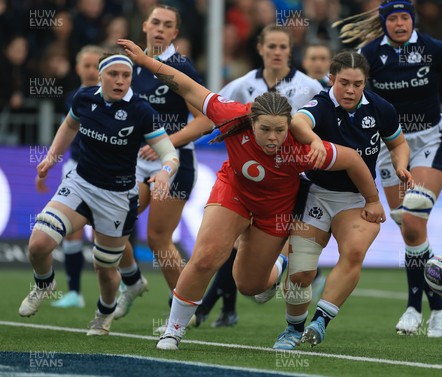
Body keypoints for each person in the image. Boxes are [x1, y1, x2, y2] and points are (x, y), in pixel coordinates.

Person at [117, 37, 386, 351]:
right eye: (265, 130)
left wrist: (372, 199)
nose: (273, 138)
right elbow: (186, 86)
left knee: (250, 285)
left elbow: (353, 159)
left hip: (274, 212)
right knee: (206, 257)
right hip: (235, 194)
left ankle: (279, 264)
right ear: (250, 122)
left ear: (290, 127)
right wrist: (145, 60)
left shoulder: (303, 146)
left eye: (279, 130)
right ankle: (172, 330)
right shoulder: (231, 114)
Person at [335, 0, 442, 338]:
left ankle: (413, 309)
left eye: (405, 18)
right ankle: (439, 306)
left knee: (414, 216)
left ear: (413, 21)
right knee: (411, 231)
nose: (400, 24)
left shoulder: (434, 49)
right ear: (384, 22)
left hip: (432, 140)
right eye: (393, 18)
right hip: (391, 147)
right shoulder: (368, 54)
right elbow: (346, 88)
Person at [18, 52, 180, 337]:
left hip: (117, 197)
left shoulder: (141, 111)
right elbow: (70, 124)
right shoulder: (85, 98)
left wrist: (165, 172)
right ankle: (44, 284)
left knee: (104, 268)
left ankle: (104, 313)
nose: (120, 81)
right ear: (101, 76)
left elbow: (169, 153)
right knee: (38, 244)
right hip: (80, 184)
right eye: (113, 75)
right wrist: (51, 157)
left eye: (126, 75)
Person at [271, 50, 413, 350]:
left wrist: (401, 165)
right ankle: (293, 328)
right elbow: (298, 122)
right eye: (344, 83)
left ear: (365, 83)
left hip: (356, 198)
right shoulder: (321, 105)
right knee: (302, 271)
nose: (350, 90)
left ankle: (320, 321)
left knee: (355, 251)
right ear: (331, 79)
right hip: (316, 194)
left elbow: (398, 142)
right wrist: (312, 141)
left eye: (358, 84)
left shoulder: (380, 108)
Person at [189, 24, 325, 328]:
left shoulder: (310, 87)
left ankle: (225, 305)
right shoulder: (241, 85)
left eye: (283, 47)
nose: (277, 52)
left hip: (291, 180)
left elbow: (325, 125)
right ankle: (221, 307)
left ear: (291, 51)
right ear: (260, 49)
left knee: (246, 250)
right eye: (271, 46)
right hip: (249, 175)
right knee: (234, 246)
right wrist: (180, 140)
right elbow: (213, 114)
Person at [111, 3, 213, 322]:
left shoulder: (180, 68)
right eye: (155, 22)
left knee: (157, 238)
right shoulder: (130, 65)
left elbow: (205, 121)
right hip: (136, 163)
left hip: (174, 163)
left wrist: (164, 144)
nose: (159, 28)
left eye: (167, 25)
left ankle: (184, 308)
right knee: (111, 223)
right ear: (144, 26)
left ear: (175, 33)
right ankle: (132, 282)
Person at [41, 45, 104, 309]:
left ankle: (125, 283)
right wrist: (47, 166)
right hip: (77, 169)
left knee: (108, 235)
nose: (90, 71)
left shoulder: (114, 99)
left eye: (95, 66)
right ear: (77, 68)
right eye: (86, 65)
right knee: (70, 232)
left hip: (107, 173)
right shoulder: (73, 99)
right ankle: (75, 292)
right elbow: (66, 134)